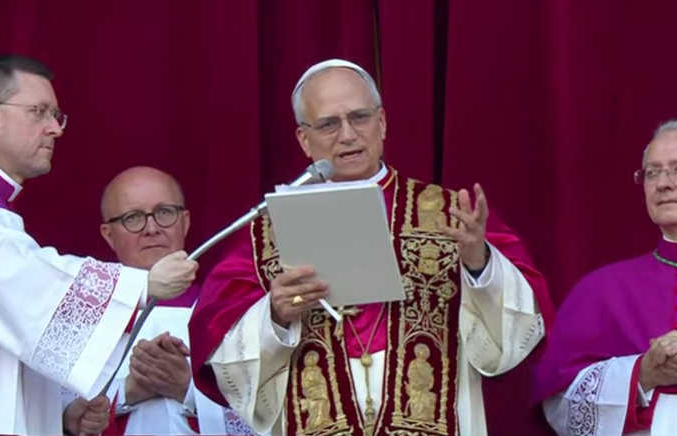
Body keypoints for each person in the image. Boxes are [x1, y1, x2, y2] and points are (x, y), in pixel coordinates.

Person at [188, 58, 555, 436]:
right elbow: (223, 345)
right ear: (303, 139)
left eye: (359, 117)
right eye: (329, 123)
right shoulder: (264, 233)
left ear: (382, 122)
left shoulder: (450, 214)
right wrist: (276, 316)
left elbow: (519, 324)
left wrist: (480, 264)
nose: (348, 135)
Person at [0, 54, 197, 434]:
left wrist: (63, 418)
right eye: (39, 112)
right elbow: (25, 284)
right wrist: (143, 284)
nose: (54, 129)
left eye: (56, 116)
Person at [532, 119, 677, 436]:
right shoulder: (601, 288)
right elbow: (560, 402)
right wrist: (641, 373)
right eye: (652, 172)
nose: (663, 183)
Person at [85, 166, 259, 435]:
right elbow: (50, 415)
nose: (152, 229)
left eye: (164, 212)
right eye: (133, 218)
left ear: (185, 222)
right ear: (109, 234)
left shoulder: (233, 314)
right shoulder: (83, 320)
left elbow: (269, 417)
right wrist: (129, 391)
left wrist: (187, 389)